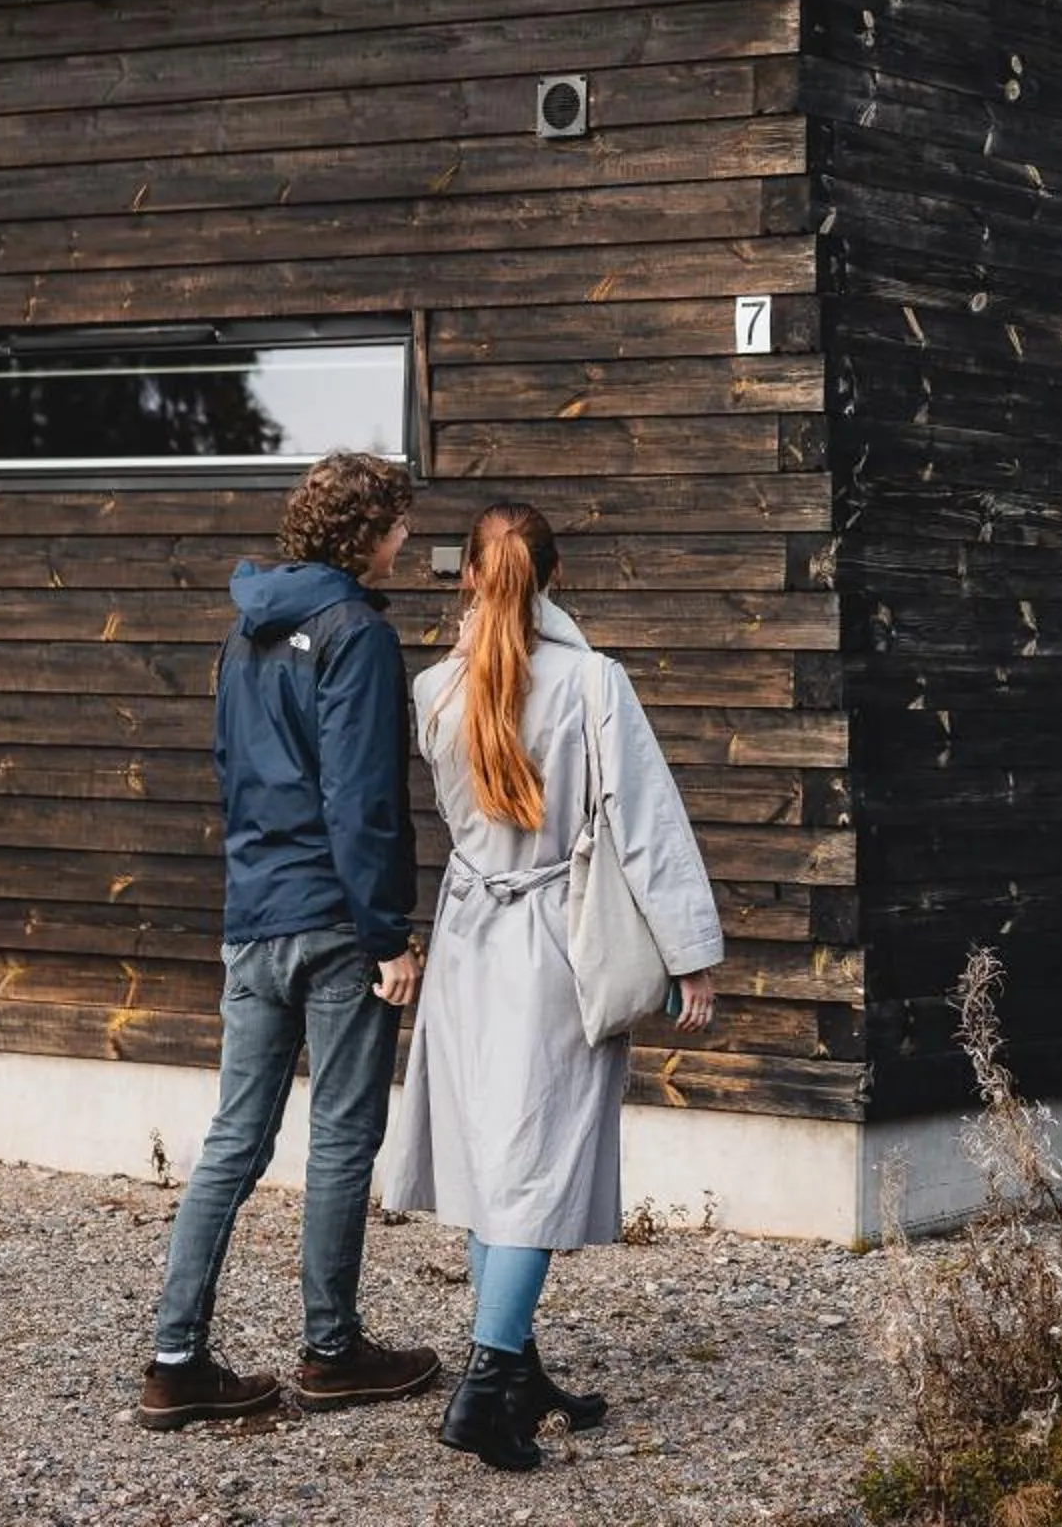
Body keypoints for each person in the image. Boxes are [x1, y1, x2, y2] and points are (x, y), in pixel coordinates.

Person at [385, 500, 725, 1472]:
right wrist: (687, 953)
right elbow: (646, 823)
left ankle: (518, 1368)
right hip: (552, 941)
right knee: (535, 1166)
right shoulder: (592, 681)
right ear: (556, 578)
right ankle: (485, 1390)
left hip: (468, 939)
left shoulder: (434, 689)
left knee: (501, 1159)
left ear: (467, 582)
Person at [137, 450, 442, 1430]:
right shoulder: (356, 632)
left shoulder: (243, 633)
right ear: (363, 533)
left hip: (253, 916)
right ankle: (331, 1348)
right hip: (334, 925)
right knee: (344, 1135)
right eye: (396, 522)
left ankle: (175, 1358)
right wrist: (388, 934)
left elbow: (234, 770)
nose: (405, 539)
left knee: (233, 1138)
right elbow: (361, 797)